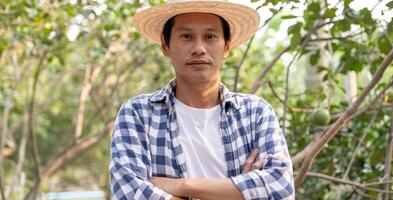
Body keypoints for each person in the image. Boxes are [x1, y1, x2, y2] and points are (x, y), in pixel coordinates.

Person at [109, 0, 295, 199]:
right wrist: (241, 192)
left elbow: (280, 188)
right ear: (165, 45)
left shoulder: (255, 113)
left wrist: (184, 186)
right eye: (186, 36)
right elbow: (127, 193)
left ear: (227, 46)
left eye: (210, 36)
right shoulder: (138, 114)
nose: (199, 48)